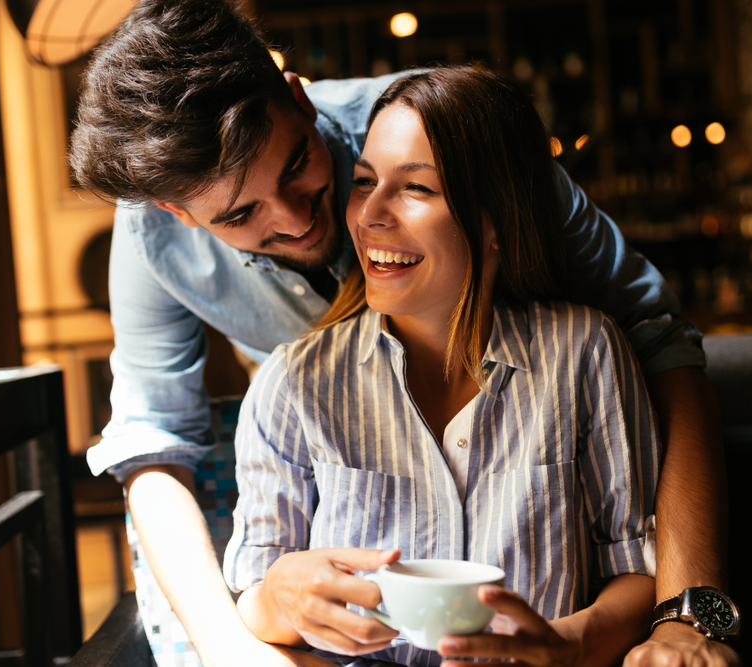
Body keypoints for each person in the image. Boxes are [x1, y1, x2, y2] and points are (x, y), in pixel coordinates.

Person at [69, 1, 738, 665]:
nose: (297, 219)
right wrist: (237, 642)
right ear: (177, 212)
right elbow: (153, 443)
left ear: (298, 101)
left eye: (299, 164)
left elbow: (664, 345)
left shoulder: (440, 133)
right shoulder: (167, 251)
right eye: (241, 214)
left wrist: (685, 619)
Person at [225, 64, 660, 667]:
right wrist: (275, 596)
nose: (368, 215)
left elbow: (636, 566)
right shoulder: (293, 383)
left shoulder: (585, 352)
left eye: (416, 189)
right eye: (363, 181)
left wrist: (570, 645)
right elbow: (250, 594)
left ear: (497, 222)